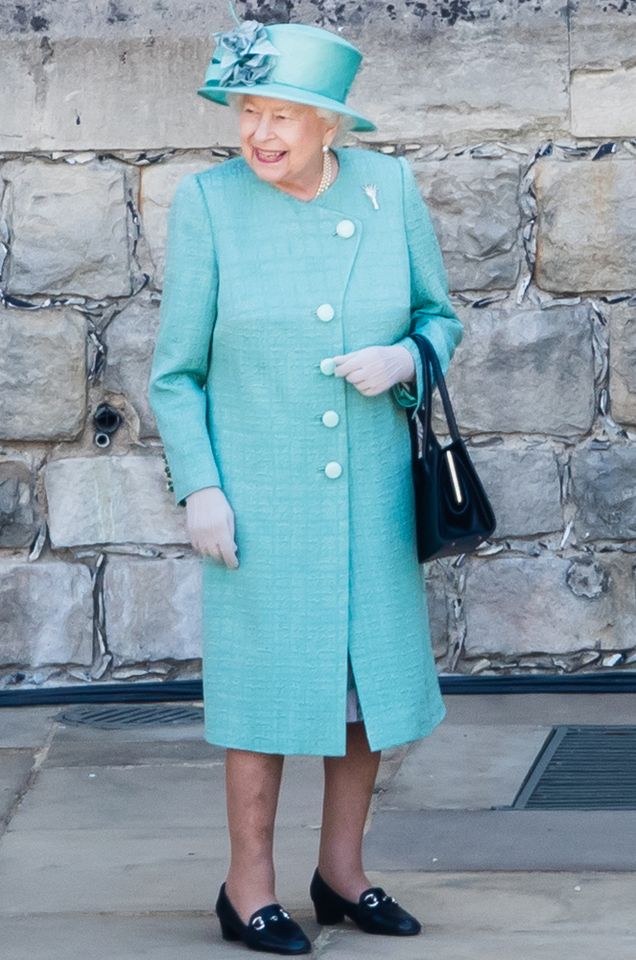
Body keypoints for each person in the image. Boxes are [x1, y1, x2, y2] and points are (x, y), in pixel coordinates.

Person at [148, 10, 464, 956]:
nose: (263, 134)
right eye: (250, 108)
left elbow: (440, 317)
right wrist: (200, 488)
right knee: (265, 696)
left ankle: (343, 873)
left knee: (364, 694)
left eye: (286, 113)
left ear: (333, 124)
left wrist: (407, 358)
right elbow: (176, 375)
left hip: (370, 497)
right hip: (261, 502)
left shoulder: (389, 189)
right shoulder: (208, 204)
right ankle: (247, 890)